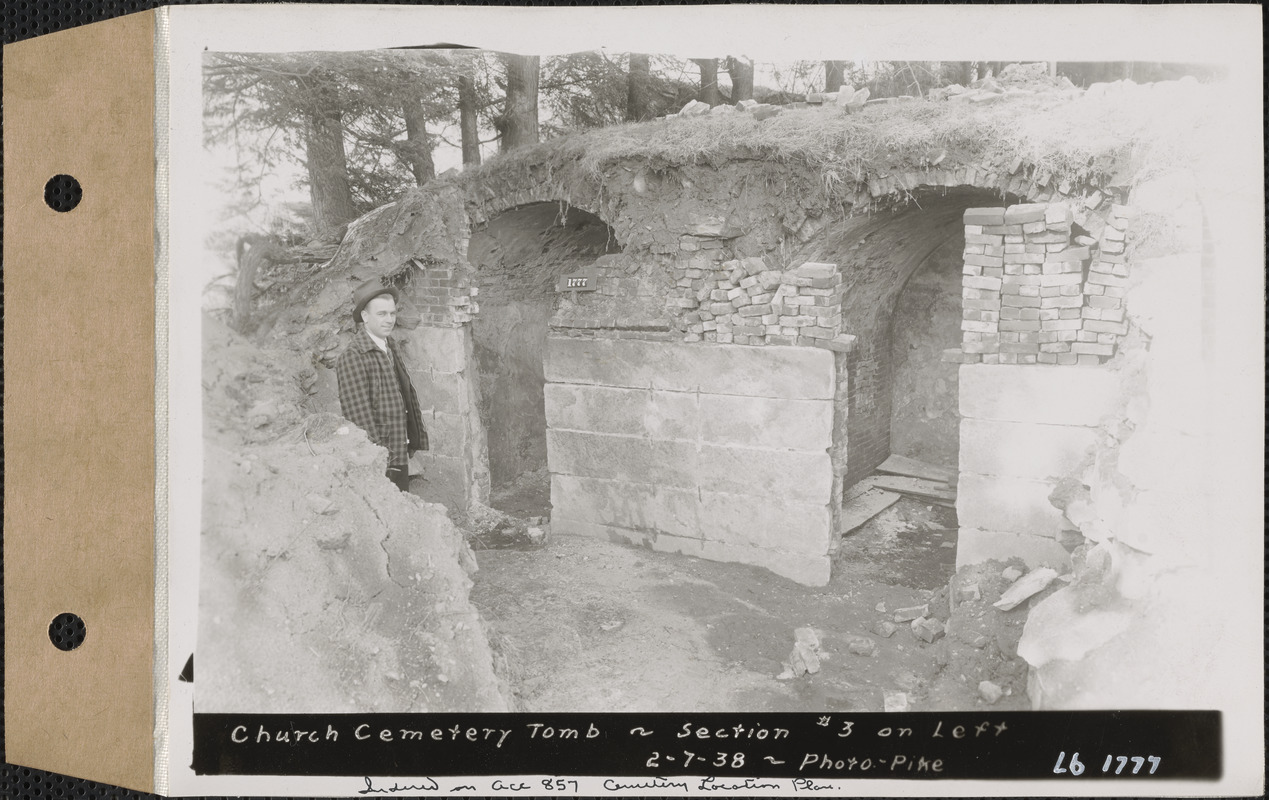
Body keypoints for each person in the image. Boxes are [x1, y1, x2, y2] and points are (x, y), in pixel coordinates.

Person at [335, 278, 428, 491]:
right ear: (365, 317)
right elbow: (359, 418)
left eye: (392, 313)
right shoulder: (354, 356)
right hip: (381, 458)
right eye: (382, 314)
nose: (389, 320)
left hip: (398, 448)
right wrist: (379, 459)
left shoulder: (389, 347)